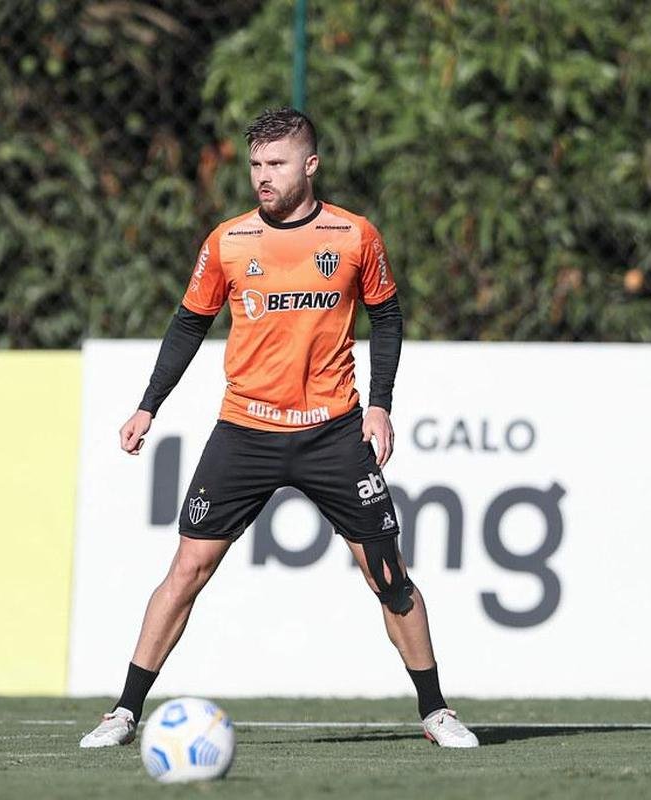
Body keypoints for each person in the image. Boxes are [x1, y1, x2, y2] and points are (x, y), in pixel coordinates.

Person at [79, 107, 478, 749]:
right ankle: (124, 712)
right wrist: (149, 405)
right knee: (187, 568)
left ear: (310, 165)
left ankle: (435, 711)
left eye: (278, 164)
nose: (263, 177)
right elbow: (189, 325)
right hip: (245, 431)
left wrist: (380, 404)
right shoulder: (227, 242)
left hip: (333, 433)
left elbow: (389, 319)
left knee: (388, 575)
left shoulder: (353, 236)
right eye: (256, 165)